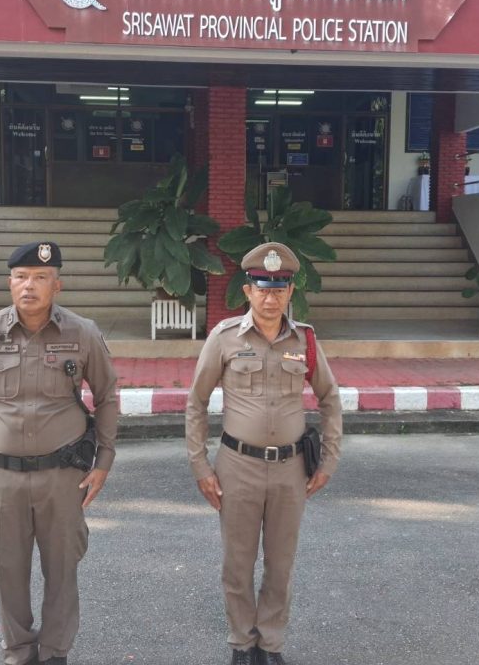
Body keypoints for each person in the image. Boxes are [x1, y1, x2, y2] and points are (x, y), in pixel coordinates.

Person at [0, 240, 119, 665]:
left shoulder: (82, 333)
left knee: (62, 568)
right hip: (0, 477)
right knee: (7, 569)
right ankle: (19, 651)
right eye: (21, 277)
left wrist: (103, 462)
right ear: (9, 283)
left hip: (63, 476)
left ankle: (56, 651)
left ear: (57, 285)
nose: (29, 286)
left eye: (41, 277)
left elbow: (107, 398)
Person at [186, 242, 343, 665]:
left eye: (278, 289)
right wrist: (201, 466)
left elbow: (329, 398)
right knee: (237, 563)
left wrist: (329, 460)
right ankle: (242, 643)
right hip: (237, 467)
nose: (270, 298)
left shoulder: (305, 339)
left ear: (290, 291)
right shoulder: (224, 338)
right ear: (248, 291)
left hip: (291, 469)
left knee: (280, 563)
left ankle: (270, 644)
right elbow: (196, 402)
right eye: (262, 289)